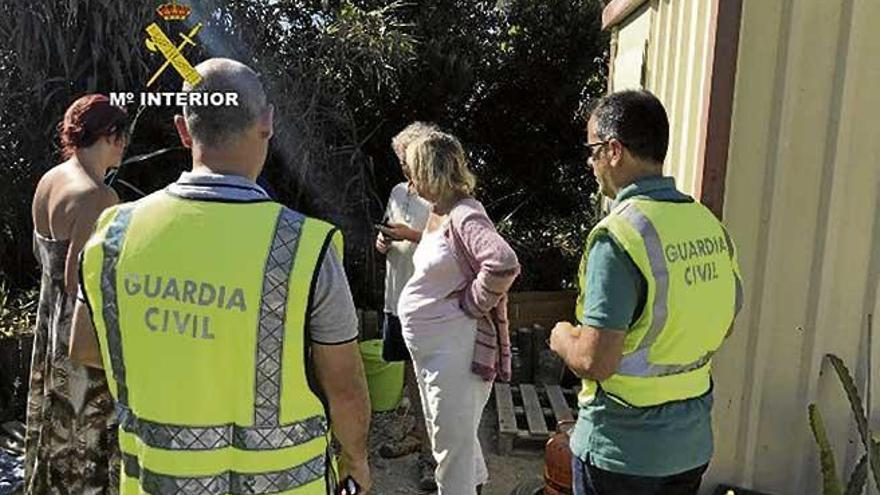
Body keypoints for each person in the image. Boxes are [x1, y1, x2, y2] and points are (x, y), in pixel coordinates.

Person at [68, 58, 372, 494]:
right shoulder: (307, 246)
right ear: (267, 122)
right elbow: (344, 386)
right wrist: (355, 460)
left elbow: (84, 347)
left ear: (183, 130)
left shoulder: (113, 234)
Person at [549, 90, 744, 495]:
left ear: (614, 150)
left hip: (622, 453)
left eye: (593, 150)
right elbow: (720, 323)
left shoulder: (620, 236)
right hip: (690, 448)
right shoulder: (707, 224)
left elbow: (594, 360)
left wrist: (561, 336)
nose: (590, 162)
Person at [398, 131, 520, 494]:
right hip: (434, 351)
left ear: (432, 171)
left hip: (456, 351)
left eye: (414, 171)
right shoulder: (439, 213)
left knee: (451, 448)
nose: (410, 181)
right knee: (455, 438)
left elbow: (502, 263)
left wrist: (472, 303)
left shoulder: (466, 213)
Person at [25, 94, 127, 494]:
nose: (123, 146)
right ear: (109, 135)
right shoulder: (99, 196)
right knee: (86, 443)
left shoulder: (50, 179)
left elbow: (49, 263)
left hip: (48, 322)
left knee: (55, 435)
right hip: (77, 333)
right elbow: (78, 281)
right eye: (121, 137)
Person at [373, 122, 437, 490]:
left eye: (407, 158)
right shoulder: (398, 191)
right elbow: (388, 230)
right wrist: (383, 241)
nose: (403, 166)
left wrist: (409, 235)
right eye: (400, 159)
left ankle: (432, 457)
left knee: (431, 380)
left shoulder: (441, 195)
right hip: (397, 296)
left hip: (427, 302)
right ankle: (417, 434)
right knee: (412, 376)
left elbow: (452, 243)